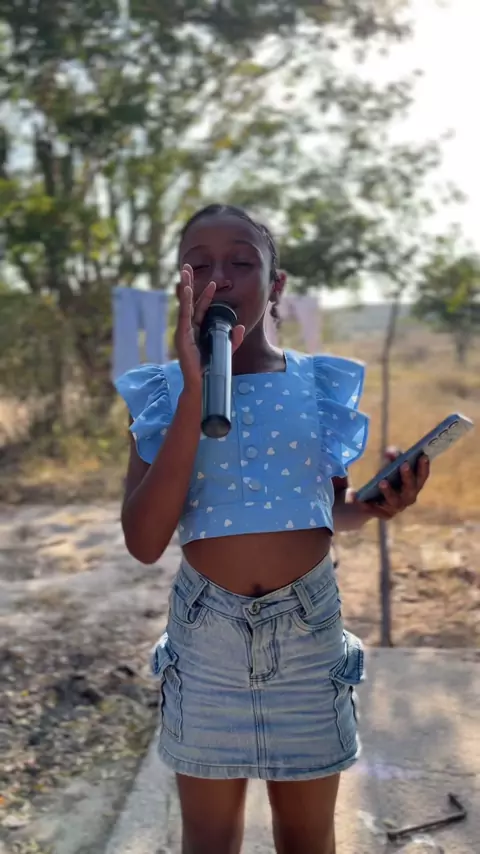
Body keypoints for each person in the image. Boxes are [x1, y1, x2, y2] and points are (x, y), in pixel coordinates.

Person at [115, 204, 430, 854]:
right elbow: (145, 543)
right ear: (181, 286)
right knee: (208, 837)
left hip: (308, 636)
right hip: (206, 645)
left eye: (242, 262)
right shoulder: (163, 393)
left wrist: (375, 506)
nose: (220, 278)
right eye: (200, 264)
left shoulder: (318, 385)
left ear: (276, 284)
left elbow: (326, 510)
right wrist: (195, 394)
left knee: (307, 835)